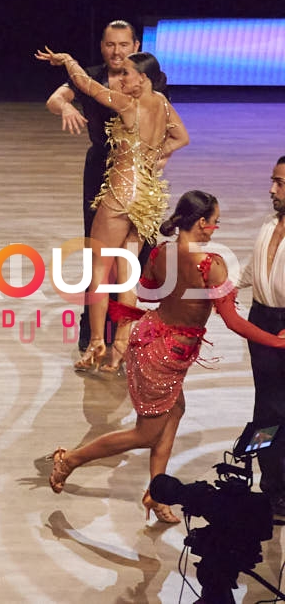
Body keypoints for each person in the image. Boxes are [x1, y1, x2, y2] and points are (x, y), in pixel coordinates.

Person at [47, 191, 285, 522]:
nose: (215, 229)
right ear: (200, 223)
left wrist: (178, 296)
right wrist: (276, 342)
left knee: (174, 413)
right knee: (145, 434)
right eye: (214, 223)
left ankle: (156, 494)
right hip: (164, 356)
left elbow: (146, 291)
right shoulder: (210, 265)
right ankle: (71, 460)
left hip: (154, 341)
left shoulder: (161, 253)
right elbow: (233, 321)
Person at [37, 46, 190, 374]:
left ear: (143, 78)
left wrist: (68, 60)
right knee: (127, 276)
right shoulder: (162, 104)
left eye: (126, 74)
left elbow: (86, 85)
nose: (120, 78)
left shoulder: (128, 105)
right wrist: (154, 155)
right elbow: (182, 137)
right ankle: (121, 346)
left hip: (121, 196)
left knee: (99, 271)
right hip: (147, 199)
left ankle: (96, 343)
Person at [44, 20, 142, 351]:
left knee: (131, 253)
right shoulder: (91, 75)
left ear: (136, 46)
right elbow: (55, 98)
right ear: (102, 46)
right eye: (110, 44)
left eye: (124, 44)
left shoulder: (145, 77)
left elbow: (163, 120)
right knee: (97, 250)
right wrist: (65, 105)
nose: (117, 51)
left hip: (136, 171)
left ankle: (124, 330)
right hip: (100, 167)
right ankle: (93, 329)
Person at [238, 157, 285, 514]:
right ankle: (269, 482)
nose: (272, 189)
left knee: (277, 407)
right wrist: (221, 288)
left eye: (280, 183)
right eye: (273, 181)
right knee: (267, 404)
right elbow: (253, 270)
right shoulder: (269, 224)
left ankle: (274, 484)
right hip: (261, 321)